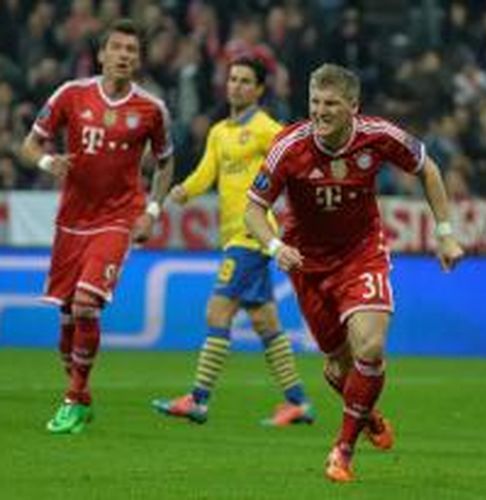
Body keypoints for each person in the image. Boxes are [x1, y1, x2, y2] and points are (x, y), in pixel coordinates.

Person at [245, 63, 464, 482]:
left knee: (371, 347)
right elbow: (254, 209)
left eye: (331, 104)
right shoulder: (288, 147)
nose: (320, 112)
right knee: (338, 368)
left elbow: (428, 169)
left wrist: (446, 234)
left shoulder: (378, 136)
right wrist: (275, 246)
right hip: (307, 264)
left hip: (362, 254)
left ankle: (342, 451)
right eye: (314, 102)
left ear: (353, 107)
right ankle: (368, 415)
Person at [20, 18, 174, 434]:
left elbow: (165, 162)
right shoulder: (71, 95)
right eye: (118, 48)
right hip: (72, 222)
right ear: (101, 54)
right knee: (68, 326)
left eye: (132, 50)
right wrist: (48, 161)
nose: (125, 55)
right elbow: (31, 144)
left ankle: (72, 400)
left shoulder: (151, 109)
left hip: (118, 218)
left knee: (88, 304)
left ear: (138, 60)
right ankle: (81, 394)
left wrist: (152, 211)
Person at [151, 58, 314, 426]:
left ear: (259, 90)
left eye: (245, 81)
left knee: (217, 312)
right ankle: (298, 402)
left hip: (252, 236)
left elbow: (296, 161)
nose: (236, 86)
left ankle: (198, 399)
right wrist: (182, 192)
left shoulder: (265, 129)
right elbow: (207, 172)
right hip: (233, 238)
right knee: (264, 321)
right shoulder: (219, 132)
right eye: (233, 79)